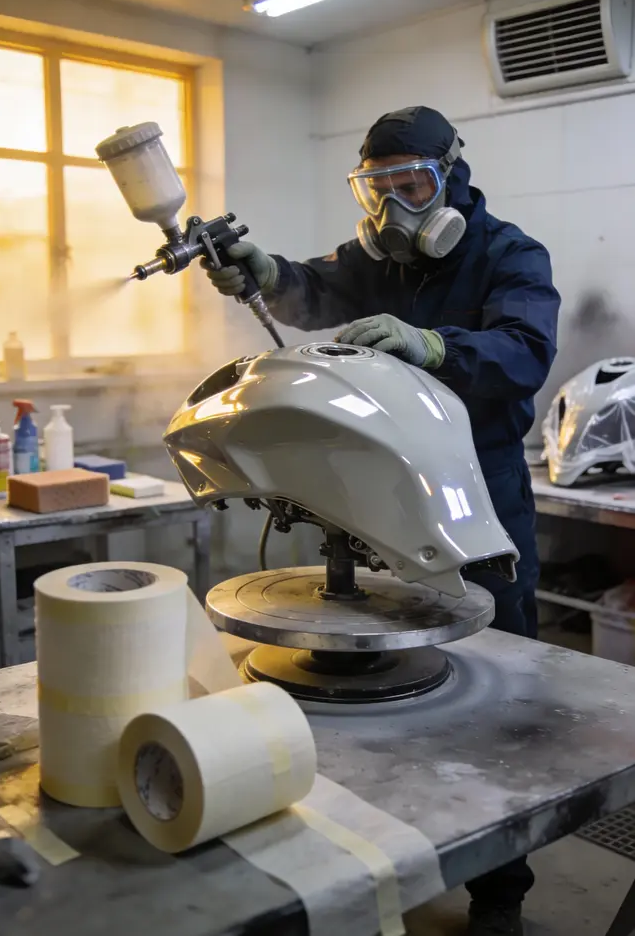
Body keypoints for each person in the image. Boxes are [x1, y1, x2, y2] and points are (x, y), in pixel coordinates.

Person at [204, 105, 560, 936]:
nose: (394, 205)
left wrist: (435, 346)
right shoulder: (377, 259)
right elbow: (311, 289)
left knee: (495, 690)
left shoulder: (509, 253)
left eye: (412, 183)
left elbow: (524, 351)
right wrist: (262, 268)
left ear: (449, 177)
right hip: (390, 492)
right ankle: (394, 847)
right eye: (377, 185)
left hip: (481, 489)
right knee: (389, 684)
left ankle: (498, 894)